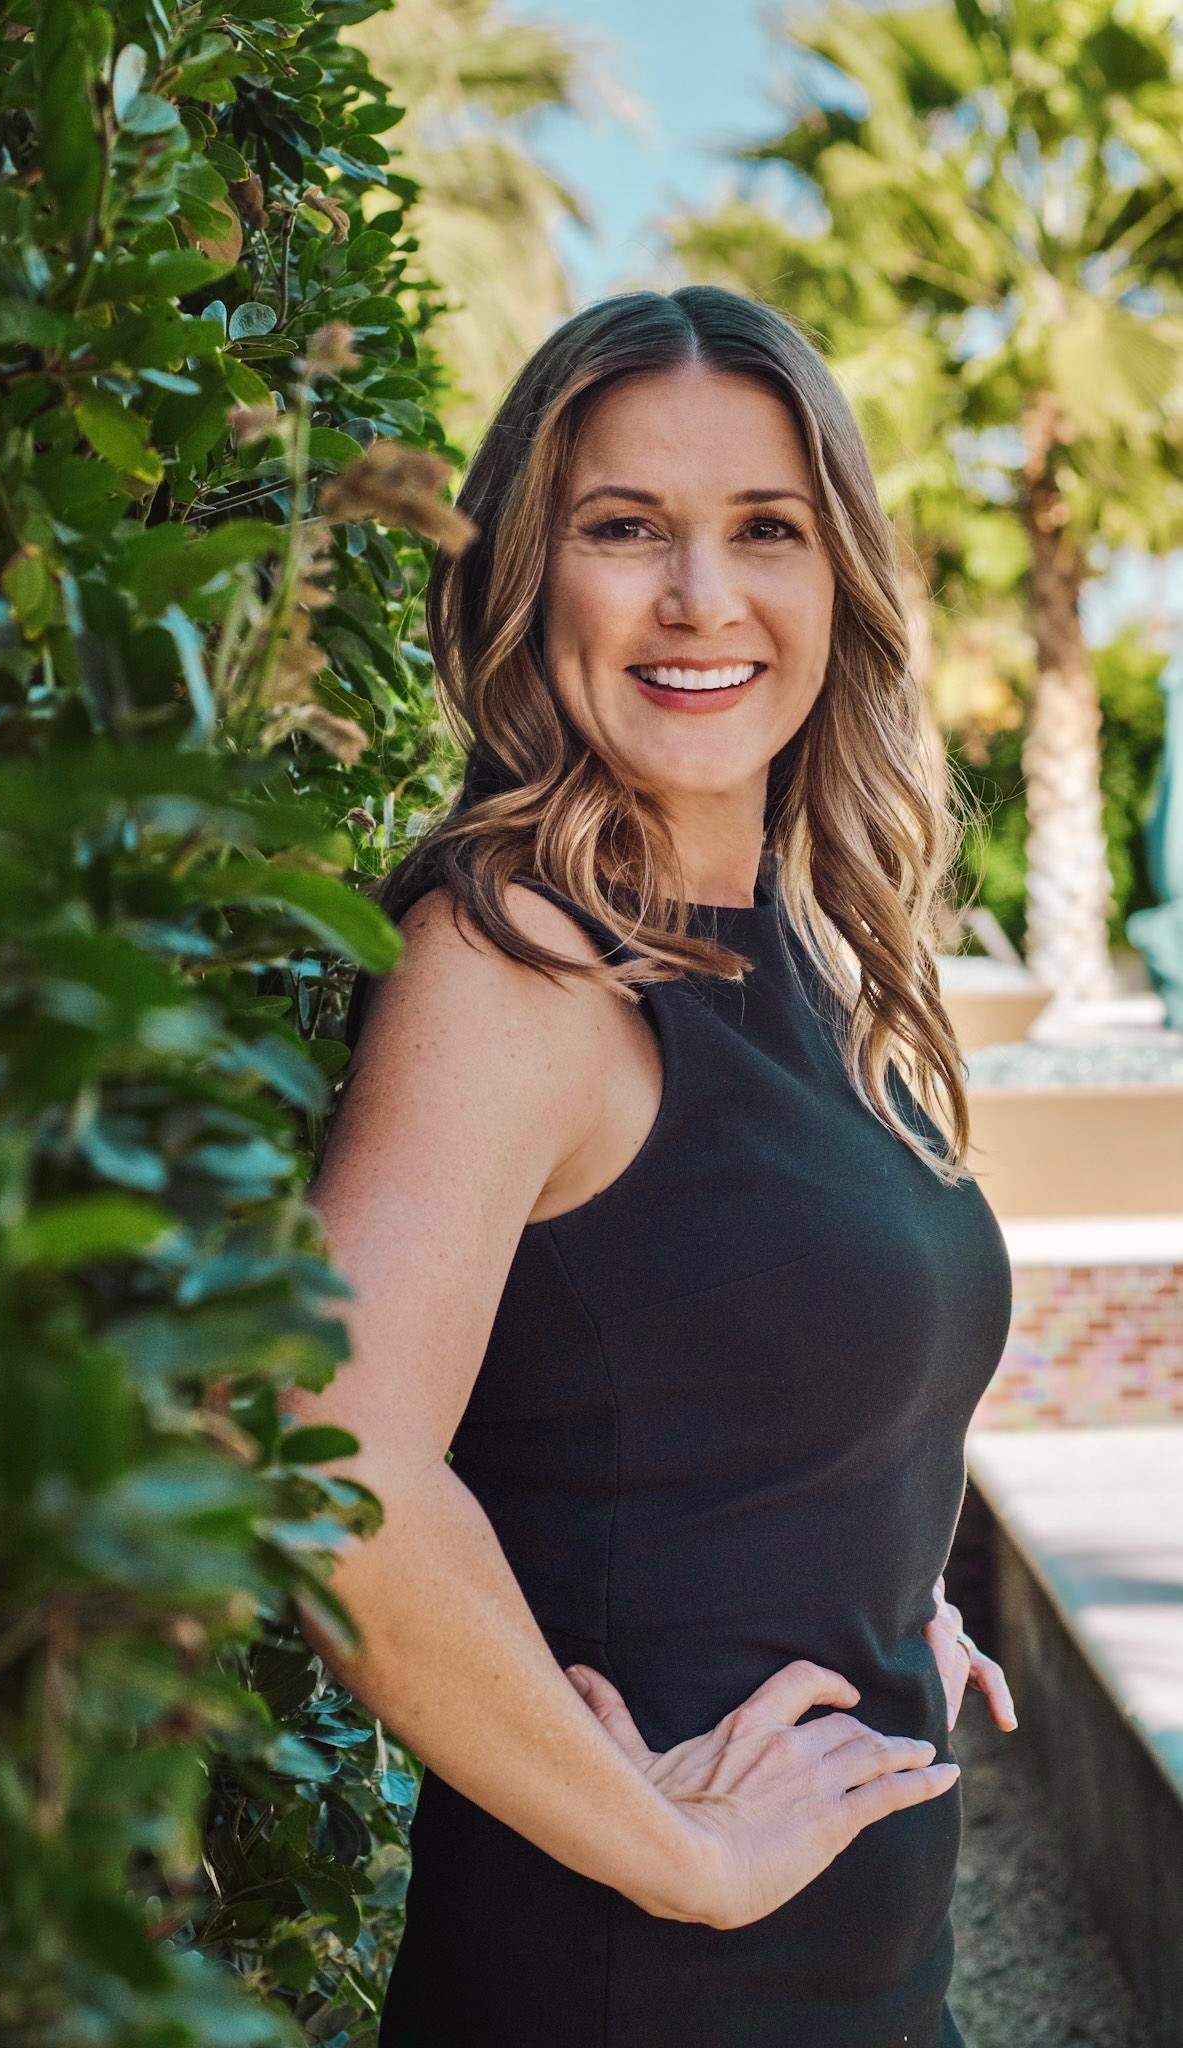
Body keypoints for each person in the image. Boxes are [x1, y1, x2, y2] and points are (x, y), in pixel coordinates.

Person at [287, 286, 1017, 2047]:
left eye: (765, 529)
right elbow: (329, 1470)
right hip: (645, 1977)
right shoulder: (514, 961)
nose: (703, 598)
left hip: (857, 1973)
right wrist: (676, 1859)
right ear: (535, 576)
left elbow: (701, 1343)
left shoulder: (789, 948)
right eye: (626, 530)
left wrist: (868, 1547)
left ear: (836, 574)